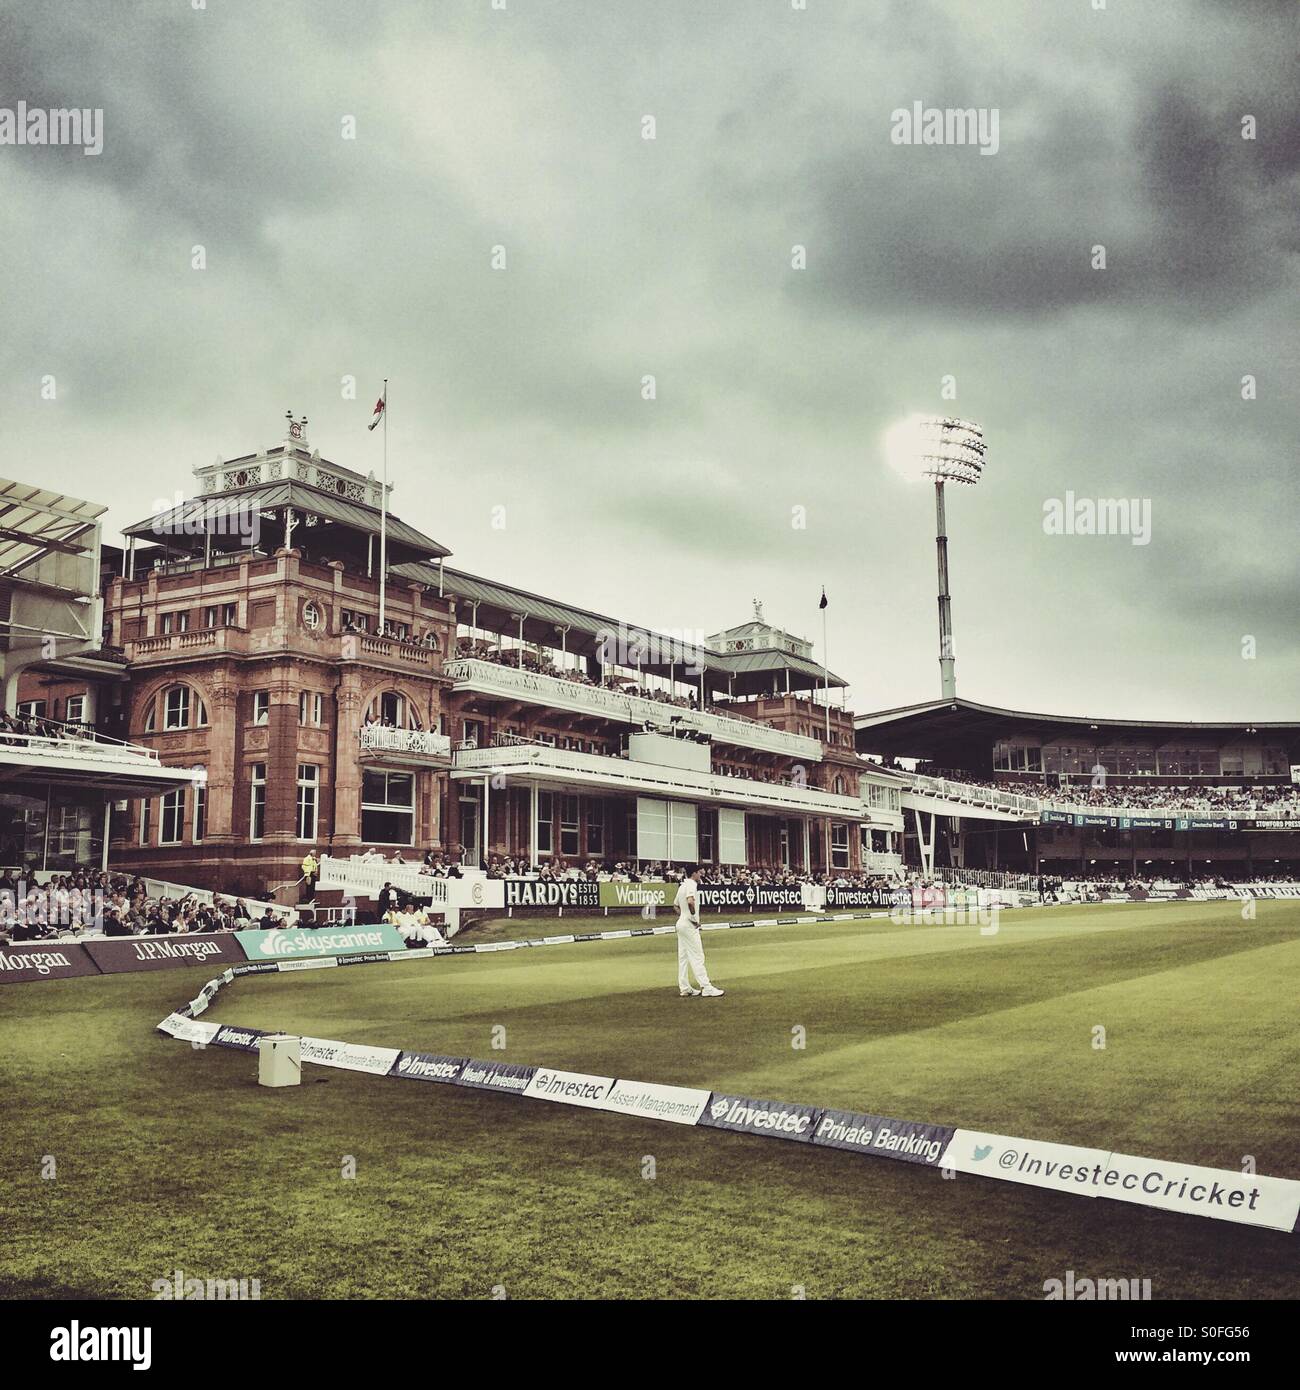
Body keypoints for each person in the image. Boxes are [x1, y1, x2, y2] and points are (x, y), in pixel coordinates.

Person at [673, 864, 723, 999]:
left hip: (681, 923)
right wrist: (693, 918)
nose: (701, 875)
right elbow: (690, 902)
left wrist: (684, 916)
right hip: (689, 925)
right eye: (699, 873)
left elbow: (675, 905)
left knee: (683, 957)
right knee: (697, 956)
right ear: (694, 873)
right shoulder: (691, 885)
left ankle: (684, 988)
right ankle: (706, 987)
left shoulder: (682, 885)